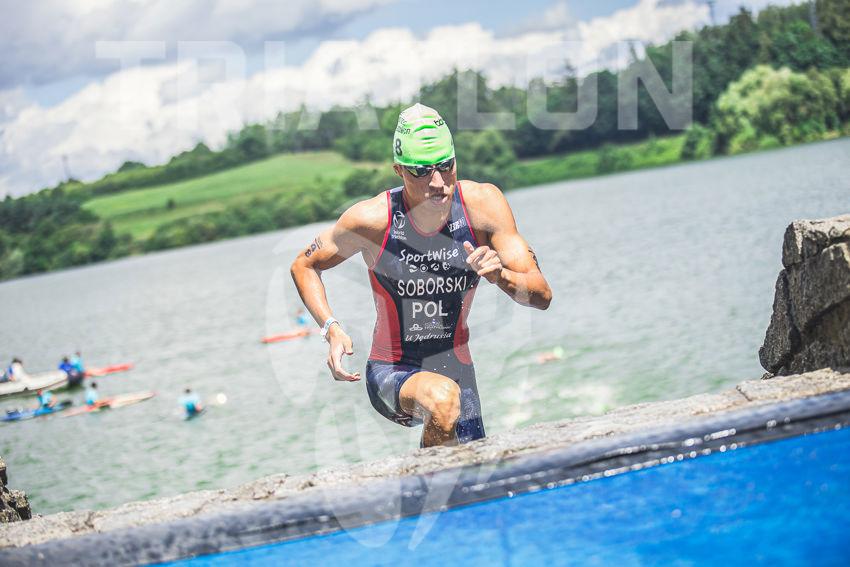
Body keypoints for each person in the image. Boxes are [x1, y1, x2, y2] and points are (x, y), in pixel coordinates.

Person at [291, 103, 552, 447]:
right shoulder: (372, 220)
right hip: (393, 371)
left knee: (470, 461)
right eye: (422, 172)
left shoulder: (483, 206)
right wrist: (331, 328)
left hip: (456, 371)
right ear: (399, 170)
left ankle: (424, 479)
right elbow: (304, 264)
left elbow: (541, 296)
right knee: (443, 400)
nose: (438, 183)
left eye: (446, 166)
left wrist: (500, 276)